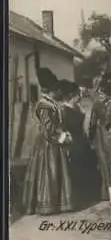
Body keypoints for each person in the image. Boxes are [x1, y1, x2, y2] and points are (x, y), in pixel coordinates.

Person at [23, 68, 74, 215]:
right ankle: (47, 204)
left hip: (53, 144)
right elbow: (48, 129)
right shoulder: (44, 105)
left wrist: (63, 132)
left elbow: (56, 125)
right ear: (54, 89)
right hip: (48, 145)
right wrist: (62, 137)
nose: (60, 93)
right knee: (48, 172)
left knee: (55, 171)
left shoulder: (50, 103)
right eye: (58, 90)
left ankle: (57, 202)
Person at [60, 80, 98, 208]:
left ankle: (86, 197)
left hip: (81, 142)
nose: (80, 96)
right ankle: (79, 199)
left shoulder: (75, 108)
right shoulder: (64, 111)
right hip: (74, 144)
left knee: (83, 168)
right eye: (77, 95)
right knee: (76, 171)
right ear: (72, 95)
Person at [88, 75, 111, 200]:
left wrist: (91, 137)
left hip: (103, 134)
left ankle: (107, 192)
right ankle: (110, 191)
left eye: (103, 92)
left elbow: (92, 123)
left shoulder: (97, 105)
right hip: (108, 134)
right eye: (101, 92)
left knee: (106, 162)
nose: (101, 94)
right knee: (108, 162)